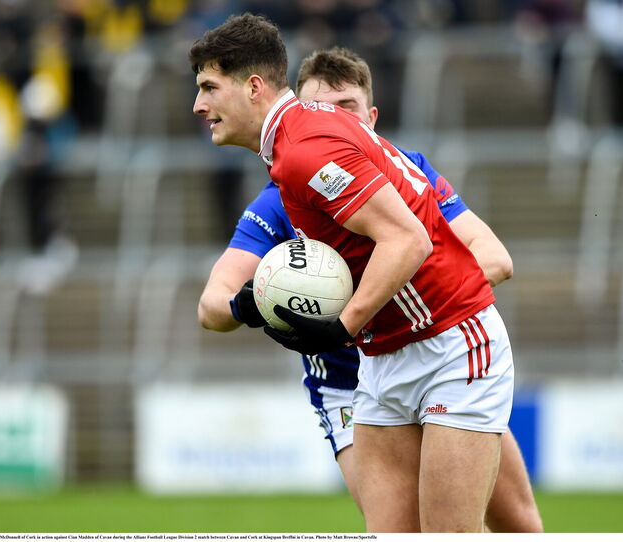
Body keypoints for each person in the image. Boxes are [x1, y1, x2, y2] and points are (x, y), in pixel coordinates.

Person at [191, 14, 515, 532]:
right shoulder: (300, 142)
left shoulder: (305, 151)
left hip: (451, 343)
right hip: (382, 359)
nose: (198, 105)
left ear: (253, 87)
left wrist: (341, 325)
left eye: (209, 87)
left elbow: (408, 238)